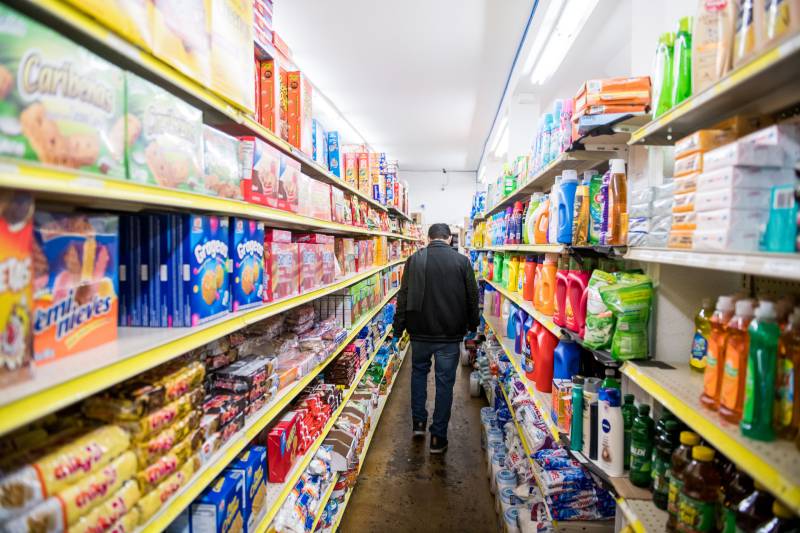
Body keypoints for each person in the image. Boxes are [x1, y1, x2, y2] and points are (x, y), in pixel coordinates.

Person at [391, 223, 480, 453]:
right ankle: (438, 439)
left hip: (419, 333)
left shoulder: (414, 260)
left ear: (428, 238)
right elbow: (472, 297)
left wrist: (397, 330)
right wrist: (473, 326)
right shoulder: (462, 262)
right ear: (449, 238)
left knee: (418, 375)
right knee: (444, 384)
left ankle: (418, 424)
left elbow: (404, 296)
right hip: (449, 336)